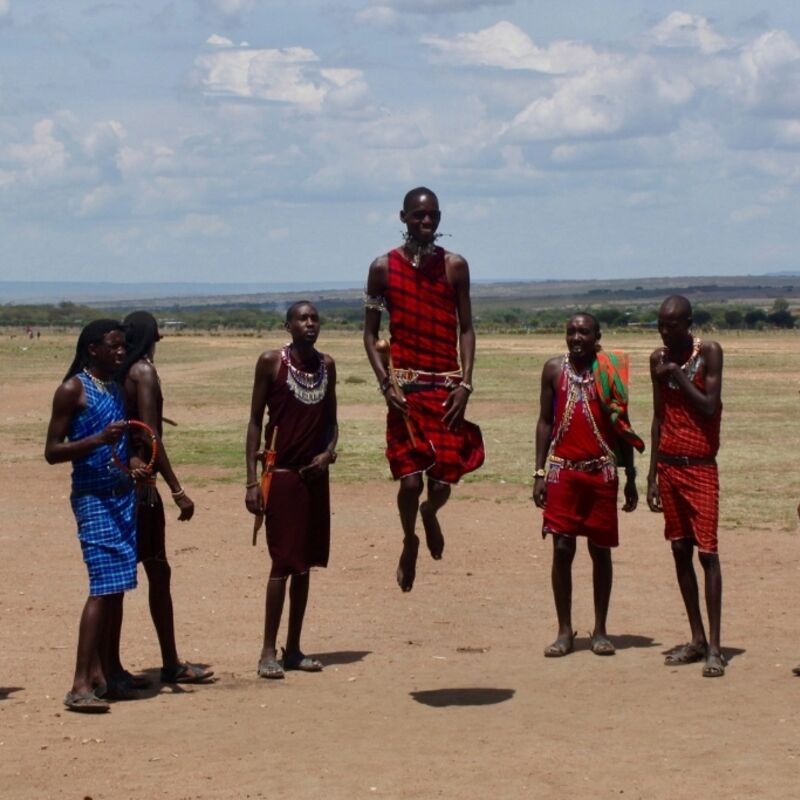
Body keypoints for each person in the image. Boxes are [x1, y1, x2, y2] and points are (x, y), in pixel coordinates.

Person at [363, 187, 485, 592]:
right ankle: (409, 539)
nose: (427, 222)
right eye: (419, 216)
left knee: (440, 482)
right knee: (410, 481)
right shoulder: (382, 269)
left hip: (447, 389)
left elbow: (466, 328)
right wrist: (386, 385)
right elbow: (370, 335)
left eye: (433, 215)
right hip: (405, 392)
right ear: (403, 218)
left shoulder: (455, 267)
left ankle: (430, 514)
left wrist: (466, 383)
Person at [533, 313, 642, 657]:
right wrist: (539, 472)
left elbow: (622, 425)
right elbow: (545, 422)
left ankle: (601, 630)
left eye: (583, 331)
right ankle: (565, 631)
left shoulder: (608, 370)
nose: (576, 337)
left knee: (600, 551)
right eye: (571, 331)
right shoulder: (553, 370)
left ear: (597, 336)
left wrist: (631, 478)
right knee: (562, 549)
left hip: (601, 473)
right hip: (563, 472)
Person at [44, 320, 138, 713]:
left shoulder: (115, 388)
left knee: (117, 586)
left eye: (124, 346)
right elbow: (51, 450)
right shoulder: (73, 390)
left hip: (122, 495)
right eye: (114, 346)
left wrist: (134, 463)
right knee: (102, 586)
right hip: (92, 497)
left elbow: (126, 443)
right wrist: (97, 441)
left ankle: (106, 674)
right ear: (92, 349)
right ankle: (79, 683)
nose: (121, 352)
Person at [245, 302, 338, 679]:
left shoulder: (327, 366)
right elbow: (254, 421)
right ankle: (268, 651)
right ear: (288, 325)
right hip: (279, 475)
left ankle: (294, 648)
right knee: (282, 563)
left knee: (305, 565)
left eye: (315, 317)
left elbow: (332, 422)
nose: (310, 323)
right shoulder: (271, 362)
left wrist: (328, 454)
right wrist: (252, 480)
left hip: (315, 478)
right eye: (302, 318)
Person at [121, 311, 213, 685]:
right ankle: (170, 662)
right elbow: (150, 436)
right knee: (157, 570)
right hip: (142, 488)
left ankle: (106, 665)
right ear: (153, 337)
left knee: (118, 579)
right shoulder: (143, 372)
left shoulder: (118, 373)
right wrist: (177, 490)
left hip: (120, 480)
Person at [646, 295, 726, 678]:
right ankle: (695, 638)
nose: (665, 331)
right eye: (661, 324)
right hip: (669, 466)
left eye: (672, 324)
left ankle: (714, 646)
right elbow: (659, 417)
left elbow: (709, 406)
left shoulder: (708, 352)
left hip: (700, 467)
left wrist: (676, 373)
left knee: (707, 554)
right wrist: (651, 477)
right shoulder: (656, 359)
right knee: (680, 550)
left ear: (689, 322)